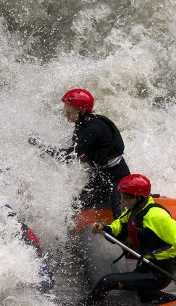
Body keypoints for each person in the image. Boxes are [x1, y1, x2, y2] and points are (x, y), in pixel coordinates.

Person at [82, 173, 176, 306]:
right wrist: (103, 229)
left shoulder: (156, 216)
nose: (122, 201)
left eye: (125, 198)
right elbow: (118, 228)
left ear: (139, 198)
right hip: (144, 266)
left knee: (107, 281)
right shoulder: (134, 211)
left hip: (158, 273)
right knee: (144, 295)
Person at [30, 88, 130, 216]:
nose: (66, 115)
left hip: (117, 175)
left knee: (118, 212)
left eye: (69, 111)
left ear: (81, 111)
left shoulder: (93, 128)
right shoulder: (82, 125)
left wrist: (41, 145)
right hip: (99, 176)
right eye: (65, 111)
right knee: (75, 207)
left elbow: (67, 157)